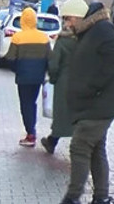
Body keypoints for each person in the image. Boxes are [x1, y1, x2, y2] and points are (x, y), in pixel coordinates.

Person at [58, 0, 114, 204]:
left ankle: (72, 197)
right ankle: (101, 197)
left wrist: (90, 88)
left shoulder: (103, 29)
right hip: (92, 103)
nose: (67, 23)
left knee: (80, 146)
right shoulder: (87, 31)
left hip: (99, 104)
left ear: (78, 15)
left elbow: (112, 62)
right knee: (95, 149)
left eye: (68, 18)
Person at [3, 7, 51, 146]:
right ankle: (32, 130)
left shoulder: (18, 37)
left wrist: (17, 70)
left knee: (25, 104)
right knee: (32, 103)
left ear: (23, 20)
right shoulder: (43, 37)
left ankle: (30, 134)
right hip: (38, 78)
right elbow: (50, 59)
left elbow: (10, 58)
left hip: (23, 78)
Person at [41, 20, 77, 154]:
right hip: (79, 81)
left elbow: (54, 64)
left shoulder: (62, 41)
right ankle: (75, 143)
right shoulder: (82, 41)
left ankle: (52, 141)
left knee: (61, 113)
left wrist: (53, 79)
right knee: (75, 114)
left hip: (63, 82)